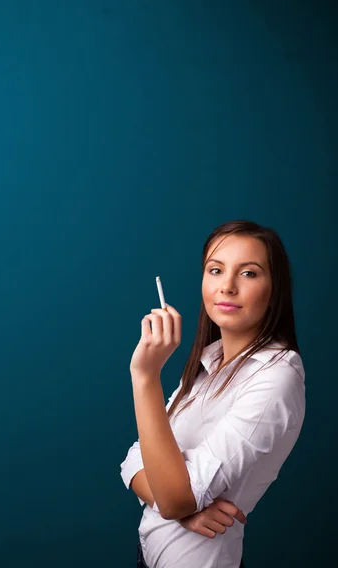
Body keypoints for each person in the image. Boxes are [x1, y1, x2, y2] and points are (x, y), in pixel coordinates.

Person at [120, 220, 306, 568]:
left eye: (249, 274)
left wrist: (145, 376)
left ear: (275, 288)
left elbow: (176, 496)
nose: (227, 287)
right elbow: (133, 460)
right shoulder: (211, 362)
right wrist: (182, 511)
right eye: (216, 270)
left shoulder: (277, 375)